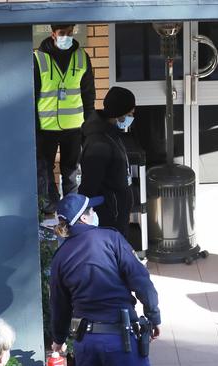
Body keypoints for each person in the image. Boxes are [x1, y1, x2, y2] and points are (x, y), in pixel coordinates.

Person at [50, 193, 160, 366]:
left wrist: (58, 339)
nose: (94, 213)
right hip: (121, 341)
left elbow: (59, 304)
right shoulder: (111, 238)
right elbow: (141, 281)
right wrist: (153, 316)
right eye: (92, 210)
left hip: (86, 344)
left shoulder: (60, 257)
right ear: (84, 218)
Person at [35, 24, 95, 214]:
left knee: (70, 171)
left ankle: (71, 211)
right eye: (62, 33)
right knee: (45, 170)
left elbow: (88, 95)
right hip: (46, 128)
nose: (66, 37)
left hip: (74, 127)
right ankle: (51, 210)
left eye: (70, 33)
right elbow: (32, 95)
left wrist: (89, 125)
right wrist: (34, 127)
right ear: (53, 34)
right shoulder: (38, 59)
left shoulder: (81, 57)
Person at [78, 87, 136, 238]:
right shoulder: (99, 144)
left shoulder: (110, 133)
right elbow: (89, 185)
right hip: (109, 217)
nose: (131, 117)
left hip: (116, 213)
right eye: (129, 114)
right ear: (119, 115)